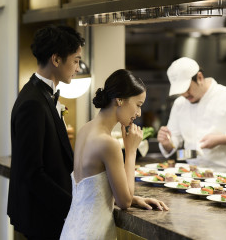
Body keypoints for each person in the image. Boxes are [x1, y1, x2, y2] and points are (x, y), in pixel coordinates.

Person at [60, 69, 169, 240]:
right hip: (93, 233)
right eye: (138, 105)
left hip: (71, 230)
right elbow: (124, 202)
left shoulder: (84, 130)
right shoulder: (108, 143)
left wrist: (135, 199)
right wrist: (131, 150)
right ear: (119, 100)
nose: (139, 113)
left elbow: (95, 189)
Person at [7, 25, 85, 240]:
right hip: (41, 214)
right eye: (76, 60)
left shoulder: (42, 94)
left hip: (46, 211)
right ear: (56, 59)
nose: (78, 68)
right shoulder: (33, 102)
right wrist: (73, 207)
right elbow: (32, 172)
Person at [158, 57, 226, 174]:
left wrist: (221, 139)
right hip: (192, 175)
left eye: (187, 88)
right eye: (180, 91)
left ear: (200, 77)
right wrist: (167, 144)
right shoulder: (179, 104)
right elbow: (174, 140)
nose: (184, 94)